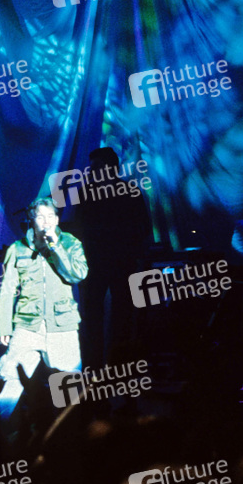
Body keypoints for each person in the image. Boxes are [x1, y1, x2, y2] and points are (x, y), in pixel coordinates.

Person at [0, 197, 88, 416]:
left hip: (62, 324)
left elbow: (78, 275)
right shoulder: (17, 249)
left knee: (69, 383)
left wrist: (56, 247)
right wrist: (4, 326)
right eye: (40, 217)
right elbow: (7, 290)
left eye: (50, 216)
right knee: (12, 378)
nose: (46, 222)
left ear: (57, 220)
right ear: (32, 220)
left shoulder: (71, 243)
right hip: (28, 324)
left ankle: (70, 429)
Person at [76, 148, 151, 367]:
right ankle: (110, 364)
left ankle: (105, 364)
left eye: (96, 167)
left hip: (107, 262)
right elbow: (143, 228)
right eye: (91, 168)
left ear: (110, 168)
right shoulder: (126, 191)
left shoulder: (90, 193)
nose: (91, 171)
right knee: (111, 314)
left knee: (111, 314)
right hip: (110, 262)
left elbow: (142, 228)